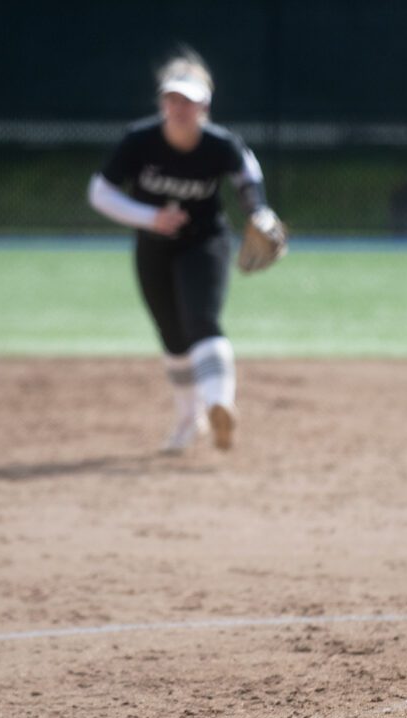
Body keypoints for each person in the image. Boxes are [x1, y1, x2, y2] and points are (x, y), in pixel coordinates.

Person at [88, 46, 282, 452]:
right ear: (162, 102)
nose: (179, 108)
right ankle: (187, 420)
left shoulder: (219, 143)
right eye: (172, 99)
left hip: (204, 242)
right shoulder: (140, 140)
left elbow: (247, 176)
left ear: (204, 106)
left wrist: (260, 213)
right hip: (153, 246)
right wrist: (149, 217)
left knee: (201, 320)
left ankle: (218, 404)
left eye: (188, 101)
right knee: (173, 336)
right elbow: (100, 192)